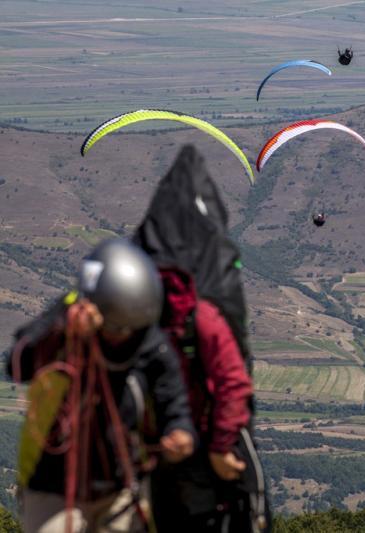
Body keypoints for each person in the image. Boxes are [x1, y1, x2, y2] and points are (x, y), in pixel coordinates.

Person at [9, 238, 196, 533]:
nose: (123, 338)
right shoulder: (65, 316)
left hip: (119, 485)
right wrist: (63, 332)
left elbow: (173, 400)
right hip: (54, 485)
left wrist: (180, 431)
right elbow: (18, 363)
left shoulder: (149, 342)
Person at [135, 145, 269, 532]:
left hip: (195, 444)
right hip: (181, 445)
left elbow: (230, 382)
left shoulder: (198, 318)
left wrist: (219, 444)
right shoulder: (184, 316)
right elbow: (234, 381)